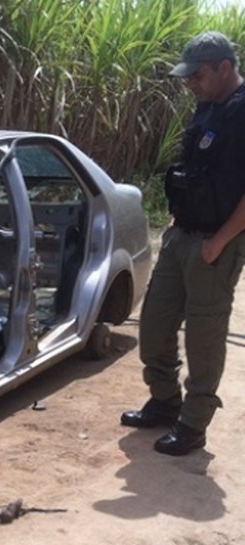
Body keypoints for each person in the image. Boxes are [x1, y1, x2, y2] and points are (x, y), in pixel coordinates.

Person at [121, 31, 245, 456]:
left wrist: (220, 240)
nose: (190, 83)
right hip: (182, 234)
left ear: (224, 68)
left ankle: (193, 424)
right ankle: (165, 401)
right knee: (154, 324)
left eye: (197, 75)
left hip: (216, 242)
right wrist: (177, 219)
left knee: (204, 337)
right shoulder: (207, 105)